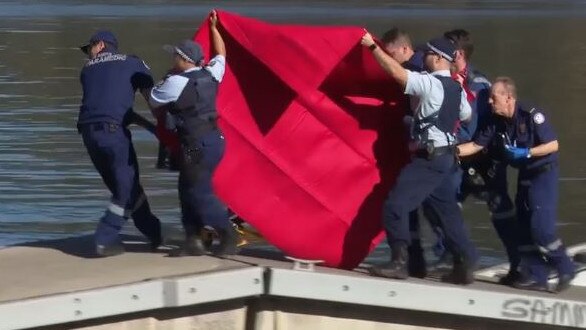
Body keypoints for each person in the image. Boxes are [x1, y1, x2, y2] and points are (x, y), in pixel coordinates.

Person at [361, 32, 478, 284]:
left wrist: (372, 46)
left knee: (396, 204)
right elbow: (466, 114)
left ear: (437, 59)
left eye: (427, 54)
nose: (423, 57)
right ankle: (464, 265)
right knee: (447, 213)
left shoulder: (430, 84)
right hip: (447, 158)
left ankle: (399, 262)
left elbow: (398, 74)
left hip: (429, 157)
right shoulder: (456, 88)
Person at [457, 77, 575, 292]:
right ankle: (537, 275)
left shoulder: (531, 114)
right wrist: (450, 151)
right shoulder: (496, 122)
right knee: (522, 229)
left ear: (509, 97)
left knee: (541, 228)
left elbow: (553, 144)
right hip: (525, 176)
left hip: (543, 174)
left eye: (494, 97)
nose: (490, 102)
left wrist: (528, 151)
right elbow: (475, 145)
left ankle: (564, 266)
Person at [149, 11, 237, 256]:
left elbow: (155, 100)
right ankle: (194, 241)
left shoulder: (176, 83)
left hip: (195, 145)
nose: (172, 58)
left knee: (198, 193)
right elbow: (221, 55)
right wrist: (214, 28)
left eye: (175, 55)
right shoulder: (211, 73)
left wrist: (162, 80)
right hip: (215, 141)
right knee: (187, 189)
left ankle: (228, 235)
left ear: (183, 59)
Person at [444, 29, 520, 284]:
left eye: (445, 49)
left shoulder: (478, 85)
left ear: (459, 54)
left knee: (501, 213)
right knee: (443, 205)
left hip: (483, 158)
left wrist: (447, 143)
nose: (438, 53)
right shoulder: (446, 79)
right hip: (457, 157)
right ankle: (454, 258)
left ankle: (520, 265)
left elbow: (472, 128)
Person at [77, 30, 162, 256]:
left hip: (89, 134)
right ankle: (105, 238)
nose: (88, 54)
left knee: (124, 187)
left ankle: (153, 231)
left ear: (101, 45)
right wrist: (164, 127)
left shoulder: (87, 70)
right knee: (125, 188)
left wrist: (150, 127)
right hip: (113, 135)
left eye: (89, 49)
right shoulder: (133, 63)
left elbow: (111, 109)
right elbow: (153, 99)